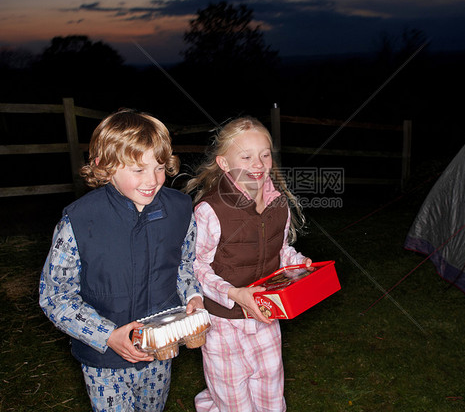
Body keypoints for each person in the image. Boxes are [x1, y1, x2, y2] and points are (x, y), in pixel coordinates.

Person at [39, 109, 204, 412]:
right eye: (137, 170)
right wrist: (107, 335)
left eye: (159, 167)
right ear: (105, 167)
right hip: (104, 360)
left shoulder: (180, 210)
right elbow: (55, 295)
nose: (152, 180)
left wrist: (193, 295)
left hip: (159, 351)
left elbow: (184, 265)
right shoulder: (79, 220)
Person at [184, 116, 312, 411]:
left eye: (264, 154)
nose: (258, 163)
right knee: (232, 402)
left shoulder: (279, 205)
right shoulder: (210, 211)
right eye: (246, 156)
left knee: (271, 398)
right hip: (223, 326)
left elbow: (280, 250)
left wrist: (298, 263)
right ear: (224, 164)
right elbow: (197, 267)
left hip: (266, 318)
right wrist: (234, 294)